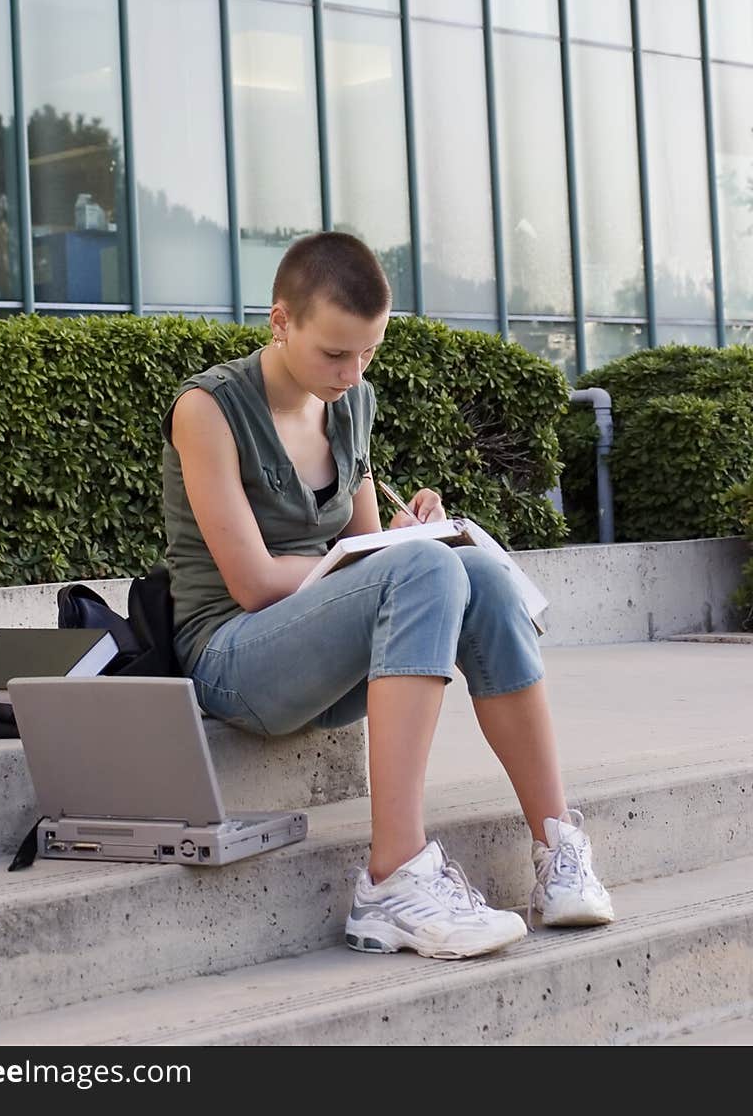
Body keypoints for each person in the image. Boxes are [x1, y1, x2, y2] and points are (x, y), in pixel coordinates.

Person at [163, 231, 613, 960]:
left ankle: (556, 844)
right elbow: (249, 581)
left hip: (324, 655)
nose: (352, 371)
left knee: (477, 572)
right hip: (233, 658)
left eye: (367, 352)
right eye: (335, 353)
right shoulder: (209, 408)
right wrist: (391, 563)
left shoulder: (352, 404)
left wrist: (409, 537)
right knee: (426, 570)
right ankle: (393, 877)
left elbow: (366, 545)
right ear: (280, 321)